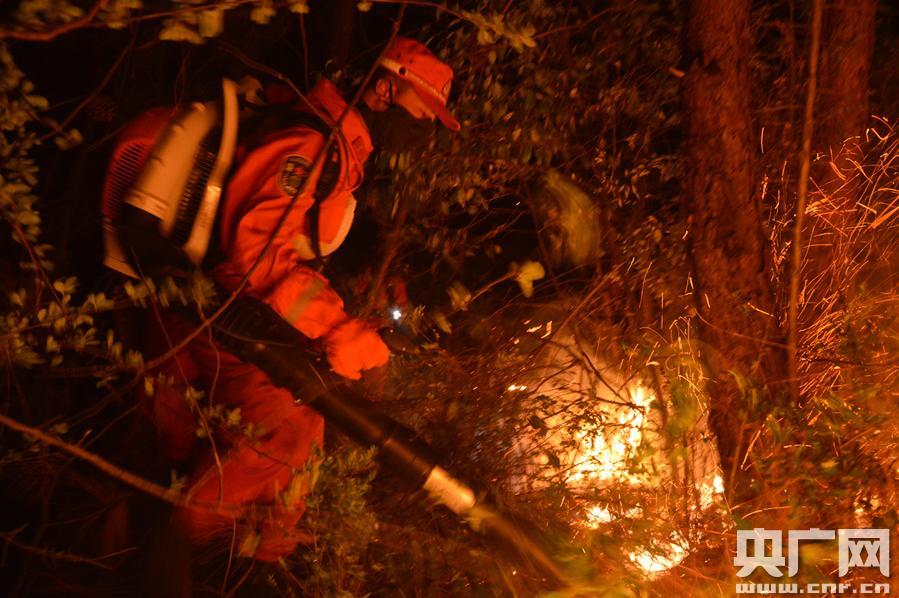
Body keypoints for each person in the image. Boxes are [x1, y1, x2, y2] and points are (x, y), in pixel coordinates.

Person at [144, 36, 461, 562]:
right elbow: (254, 254)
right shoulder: (313, 143)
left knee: (177, 451)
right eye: (422, 113)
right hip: (217, 311)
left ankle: (166, 535)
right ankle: (178, 554)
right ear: (385, 89)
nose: (424, 129)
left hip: (196, 304)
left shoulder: (333, 142)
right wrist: (335, 329)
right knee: (292, 435)